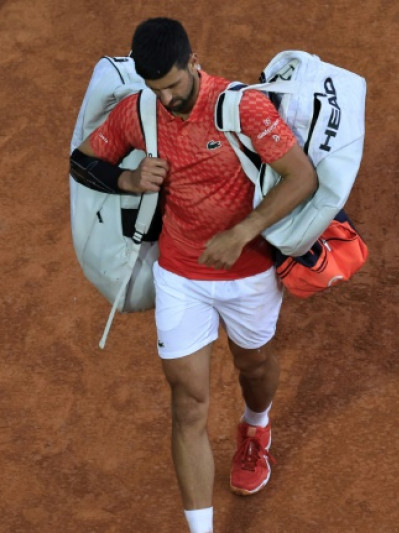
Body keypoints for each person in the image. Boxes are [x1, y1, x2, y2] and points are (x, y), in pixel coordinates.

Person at [69, 17, 317, 533]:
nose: (168, 101)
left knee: (254, 366)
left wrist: (242, 232)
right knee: (188, 404)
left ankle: (256, 427)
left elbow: (301, 177)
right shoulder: (140, 111)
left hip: (249, 272)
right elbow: (83, 161)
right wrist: (128, 178)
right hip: (180, 274)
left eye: (174, 86)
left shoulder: (243, 107)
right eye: (156, 90)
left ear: (194, 62)